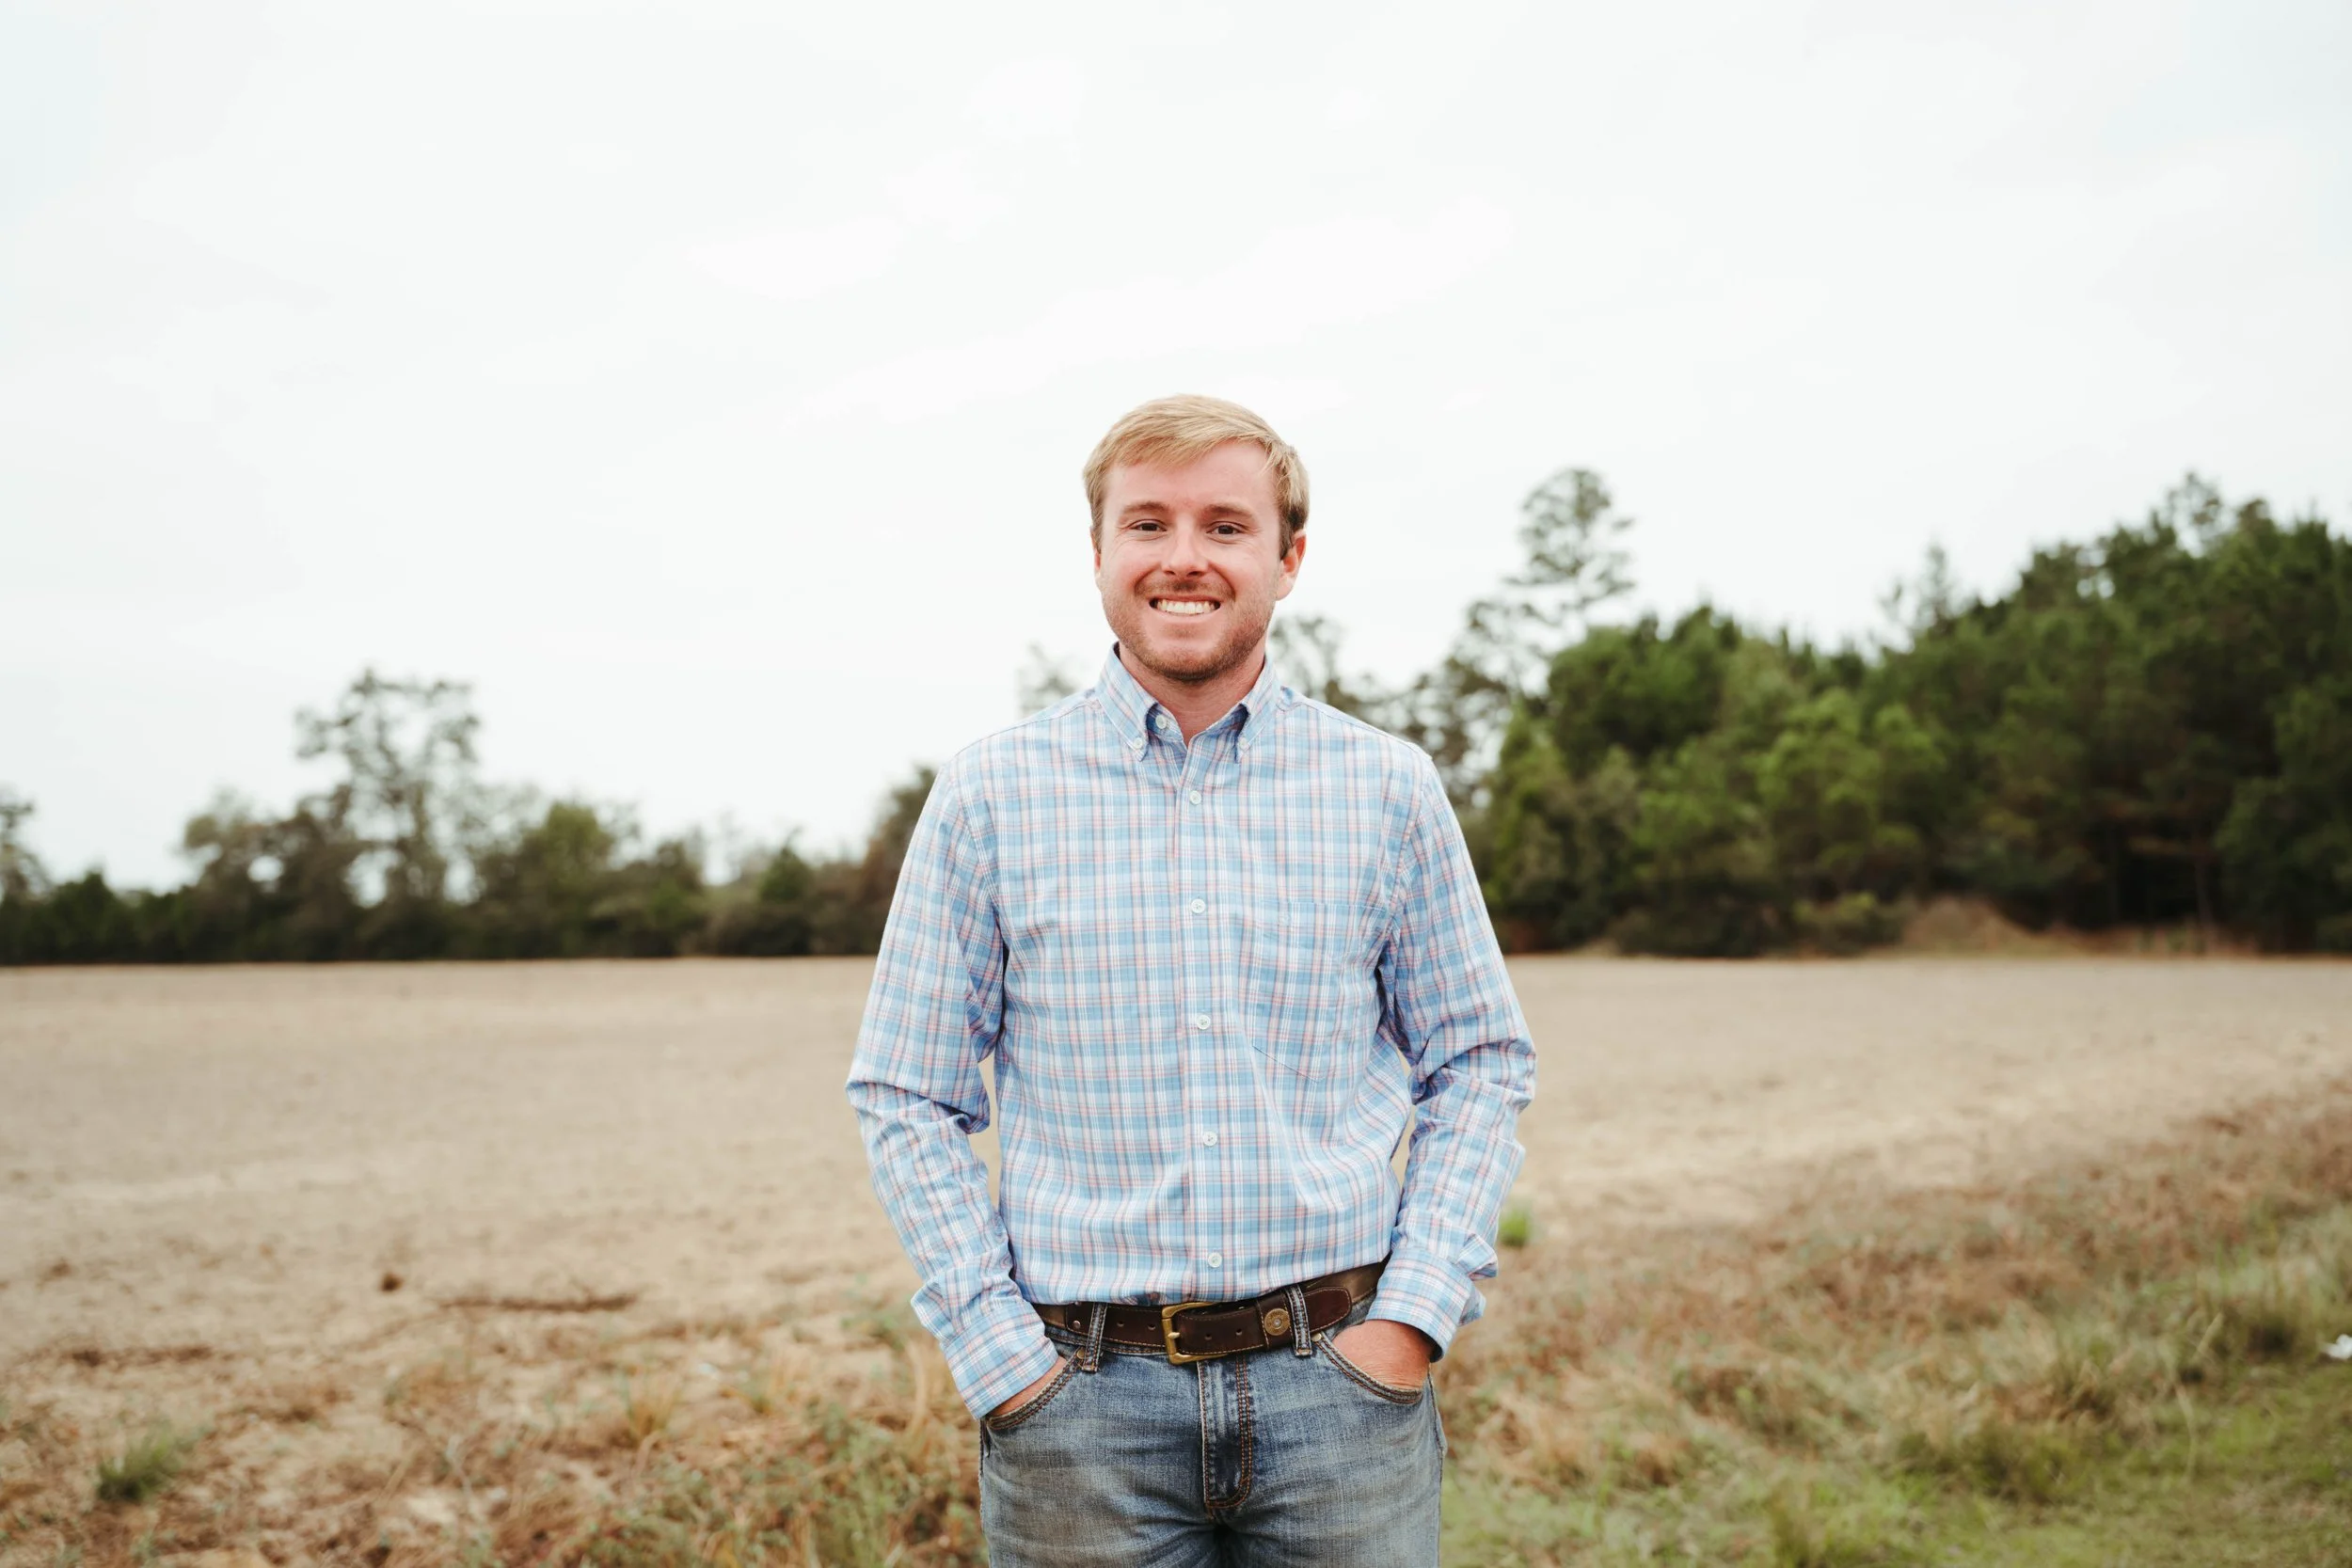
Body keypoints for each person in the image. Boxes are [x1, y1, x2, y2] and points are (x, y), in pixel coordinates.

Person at [846, 394, 1535, 1566]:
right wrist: (1003, 1360)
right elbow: (907, 1090)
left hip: (1341, 1394)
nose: (1183, 557)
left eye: (1224, 525)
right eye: (1147, 523)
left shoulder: (1386, 788)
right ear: (1100, 553)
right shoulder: (989, 796)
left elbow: (1478, 1058)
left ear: (1287, 558)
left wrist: (1412, 1316)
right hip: (1080, 1410)